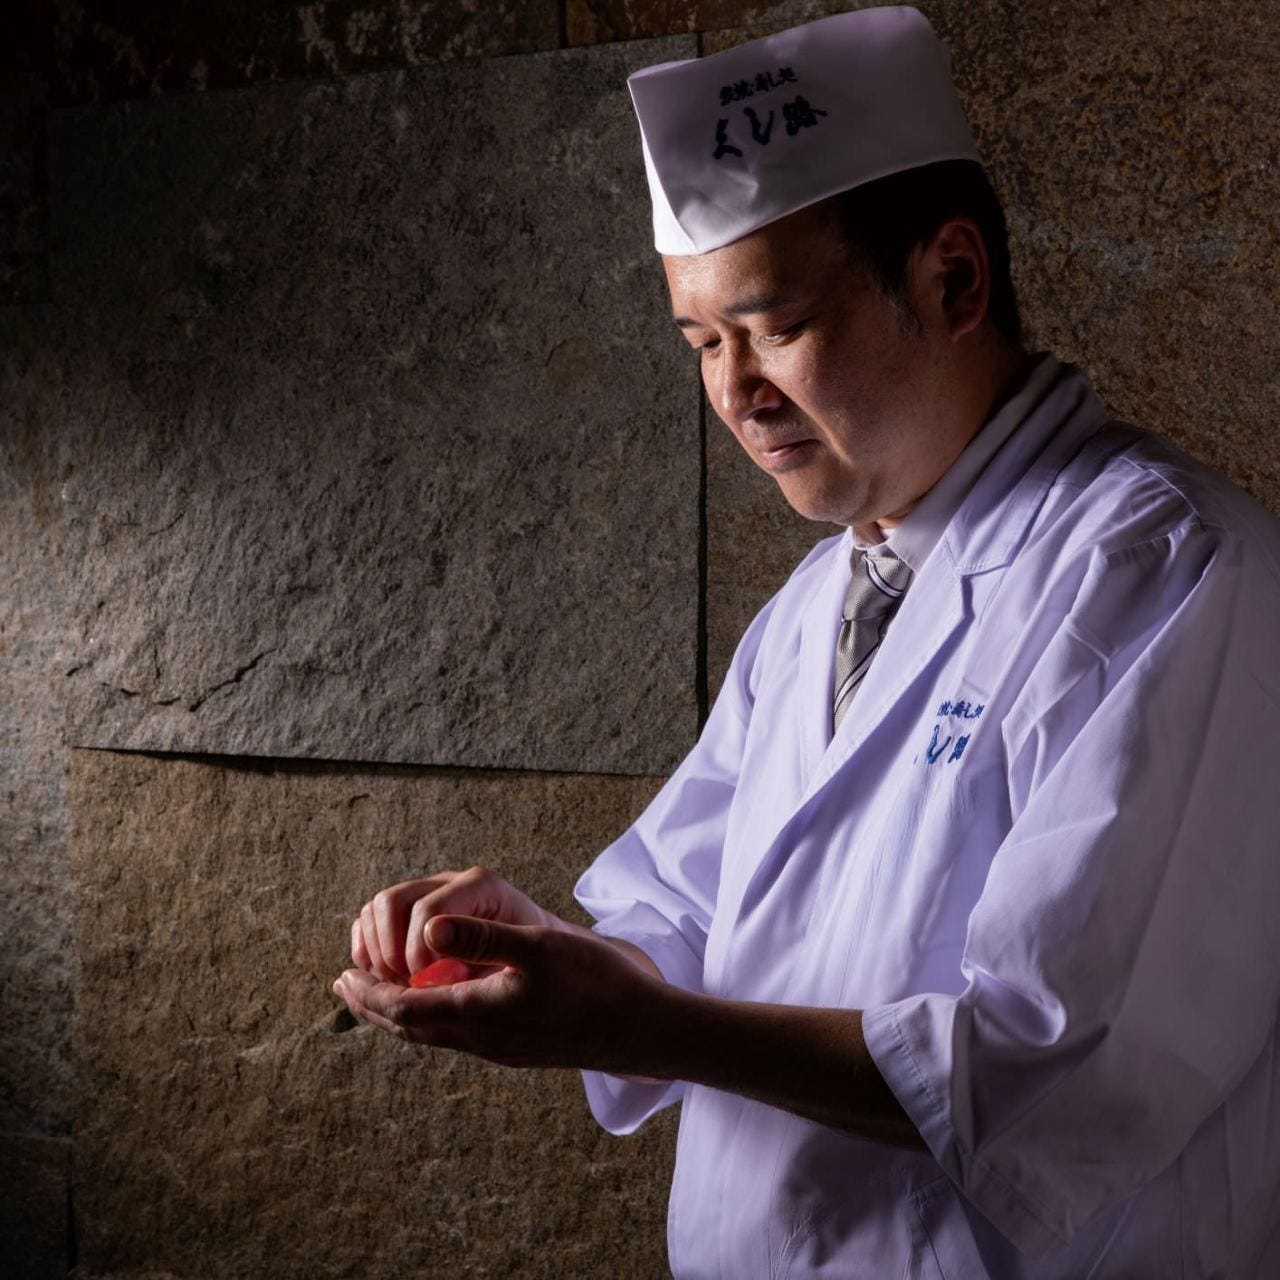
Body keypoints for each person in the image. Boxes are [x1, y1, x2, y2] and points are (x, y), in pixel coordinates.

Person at [333, 7, 1280, 1275]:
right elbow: (681, 920)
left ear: (952, 279)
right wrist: (537, 954)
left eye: (773, 327)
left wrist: (643, 1025)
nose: (734, 394)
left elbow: (1058, 1063)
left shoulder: (1165, 566)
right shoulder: (814, 609)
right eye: (701, 344)